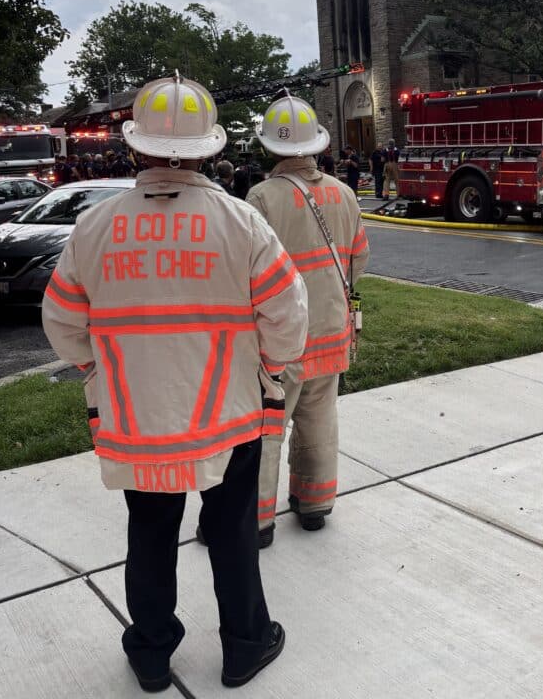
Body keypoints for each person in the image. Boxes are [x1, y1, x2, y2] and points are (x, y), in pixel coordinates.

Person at [42, 72, 309, 693]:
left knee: (150, 533)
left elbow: (62, 323)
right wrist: (269, 367)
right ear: (208, 149)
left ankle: (151, 653)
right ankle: (245, 645)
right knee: (232, 533)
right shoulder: (241, 222)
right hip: (229, 415)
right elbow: (288, 316)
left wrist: (98, 369)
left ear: (137, 148)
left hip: (134, 417)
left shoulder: (95, 226)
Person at [242, 91, 369, 548]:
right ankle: (315, 504)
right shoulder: (344, 193)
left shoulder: (261, 198)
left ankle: (257, 522)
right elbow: (359, 260)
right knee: (320, 420)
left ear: (270, 147)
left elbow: (249, 276)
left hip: (281, 339)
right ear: (315, 143)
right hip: (332, 330)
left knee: (267, 429)